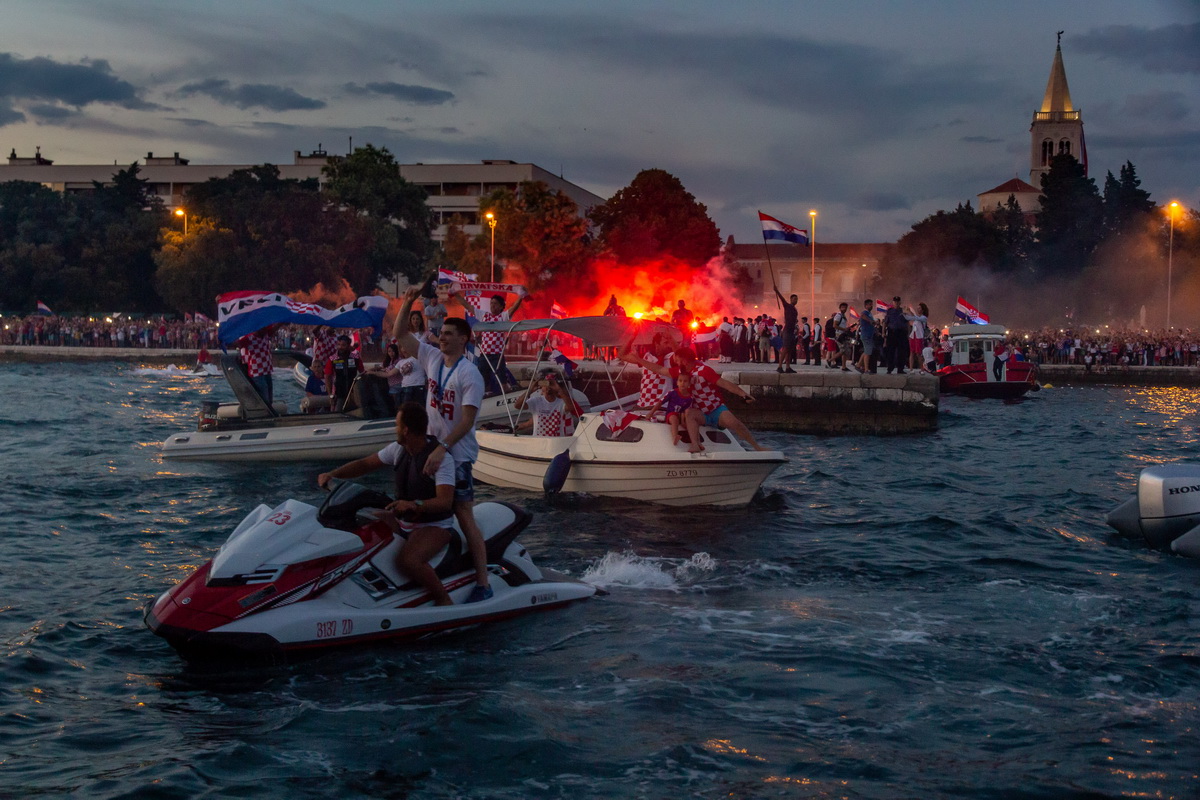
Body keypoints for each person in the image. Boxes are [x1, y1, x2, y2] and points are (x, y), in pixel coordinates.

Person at [394, 284, 492, 602]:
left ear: (464, 339)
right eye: (442, 332)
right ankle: (429, 561)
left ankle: (483, 582)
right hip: (432, 449)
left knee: (463, 513)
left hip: (456, 453)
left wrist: (442, 448)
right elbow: (400, 336)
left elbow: (467, 421)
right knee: (419, 504)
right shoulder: (432, 358)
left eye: (450, 334)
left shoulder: (470, 374)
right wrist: (408, 302)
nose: (443, 337)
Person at [317, 403, 458, 606]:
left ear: (406, 430)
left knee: (408, 561)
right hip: (402, 521)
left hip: (433, 526)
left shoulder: (440, 460)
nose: (395, 429)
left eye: (396, 425)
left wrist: (414, 505)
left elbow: (445, 502)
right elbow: (365, 464)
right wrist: (333, 474)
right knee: (359, 525)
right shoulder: (398, 450)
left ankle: (444, 600)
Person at [620, 341, 769, 452]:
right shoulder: (681, 372)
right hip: (699, 412)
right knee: (689, 413)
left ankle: (757, 447)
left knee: (735, 424)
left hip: (715, 409)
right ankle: (695, 445)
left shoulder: (704, 370)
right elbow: (659, 369)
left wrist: (743, 394)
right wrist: (639, 360)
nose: (676, 362)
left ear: (684, 360)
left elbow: (724, 383)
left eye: (677, 360)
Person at [473, 291, 526, 395]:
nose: (492, 305)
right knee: (483, 380)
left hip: (497, 355)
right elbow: (469, 307)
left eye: (495, 303)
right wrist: (455, 294)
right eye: (491, 303)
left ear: (501, 306)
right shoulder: (484, 316)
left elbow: (513, 308)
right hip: (484, 354)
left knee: (502, 380)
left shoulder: (503, 317)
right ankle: (486, 398)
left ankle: (507, 397)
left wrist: (521, 297)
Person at [619, 328, 675, 411]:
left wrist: (671, 339)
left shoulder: (671, 358)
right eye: (665, 343)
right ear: (657, 344)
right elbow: (621, 355)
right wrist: (632, 336)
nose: (668, 346)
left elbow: (680, 354)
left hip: (659, 406)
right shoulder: (646, 356)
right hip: (641, 405)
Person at [515, 370, 576, 437]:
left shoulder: (561, 402)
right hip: (539, 440)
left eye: (551, 385)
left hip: (556, 440)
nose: (548, 388)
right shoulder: (536, 401)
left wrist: (559, 389)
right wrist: (530, 390)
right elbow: (517, 405)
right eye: (545, 385)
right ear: (541, 388)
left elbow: (571, 407)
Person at [646, 372, 697, 451]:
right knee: (674, 419)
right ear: (677, 382)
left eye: (685, 381)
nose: (682, 383)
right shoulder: (672, 392)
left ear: (689, 384)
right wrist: (651, 412)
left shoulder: (690, 398)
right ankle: (675, 436)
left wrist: (684, 421)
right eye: (680, 381)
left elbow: (688, 411)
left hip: (682, 415)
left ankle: (695, 442)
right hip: (671, 414)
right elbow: (660, 402)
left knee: (689, 422)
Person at [236, 325, 275, 404]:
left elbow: (276, 327)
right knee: (264, 396)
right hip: (256, 372)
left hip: (266, 370)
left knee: (269, 395)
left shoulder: (266, 333)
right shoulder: (248, 338)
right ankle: (265, 410)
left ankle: (269, 408)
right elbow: (235, 343)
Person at [325, 335, 365, 410]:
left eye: (343, 345)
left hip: (354, 392)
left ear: (348, 346)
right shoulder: (332, 359)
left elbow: (362, 373)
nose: (340, 347)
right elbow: (327, 377)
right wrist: (330, 394)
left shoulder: (356, 358)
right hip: (338, 393)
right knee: (338, 411)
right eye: (338, 345)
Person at [773, 289, 799, 373]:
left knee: (790, 350)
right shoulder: (787, 306)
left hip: (791, 331)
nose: (796, 300)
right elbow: (782, 299)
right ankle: (780, 366)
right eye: (794, 299)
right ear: (791, 299)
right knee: (785, 348)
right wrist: (777, 291)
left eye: (796, 299)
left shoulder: (794, 309)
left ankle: (788, 367)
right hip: (787, 330)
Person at [882, 297, 909, 374]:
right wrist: (883, 332)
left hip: (902, 333)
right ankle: (890, 368)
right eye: (895, 302)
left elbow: (907, 323)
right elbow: (885, 323)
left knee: (901, 352)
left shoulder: (903, 311)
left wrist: (908, 333)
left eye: (898, 302)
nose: (896, 303)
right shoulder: (889, 311)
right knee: (891, 351)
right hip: (892, 332)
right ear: (893, 302)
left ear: (900, 302)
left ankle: (900, 369)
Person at [856, 298, 877, 373]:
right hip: (866, 335)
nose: (871, 306)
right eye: (870, 304)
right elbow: (862, 315)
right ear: (866, 305)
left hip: (869, 335)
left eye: (872, 304)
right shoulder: (865, 312)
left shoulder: (870, 313)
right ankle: (866, 369)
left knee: (866, 351)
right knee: (868, 352)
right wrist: (870, 321)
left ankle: (859, 365)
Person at [908, 302, 931, 370]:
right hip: (913, 336)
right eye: (917, 308)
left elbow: (916, 318)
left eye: (919, 308)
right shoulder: (917, 318)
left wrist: (910, 312)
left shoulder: (924, 318)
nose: (918, 309)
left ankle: (922, 369)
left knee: (918, 353)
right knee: (912, 352)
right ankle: (911, 369)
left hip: (919, 336)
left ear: (923, 310)